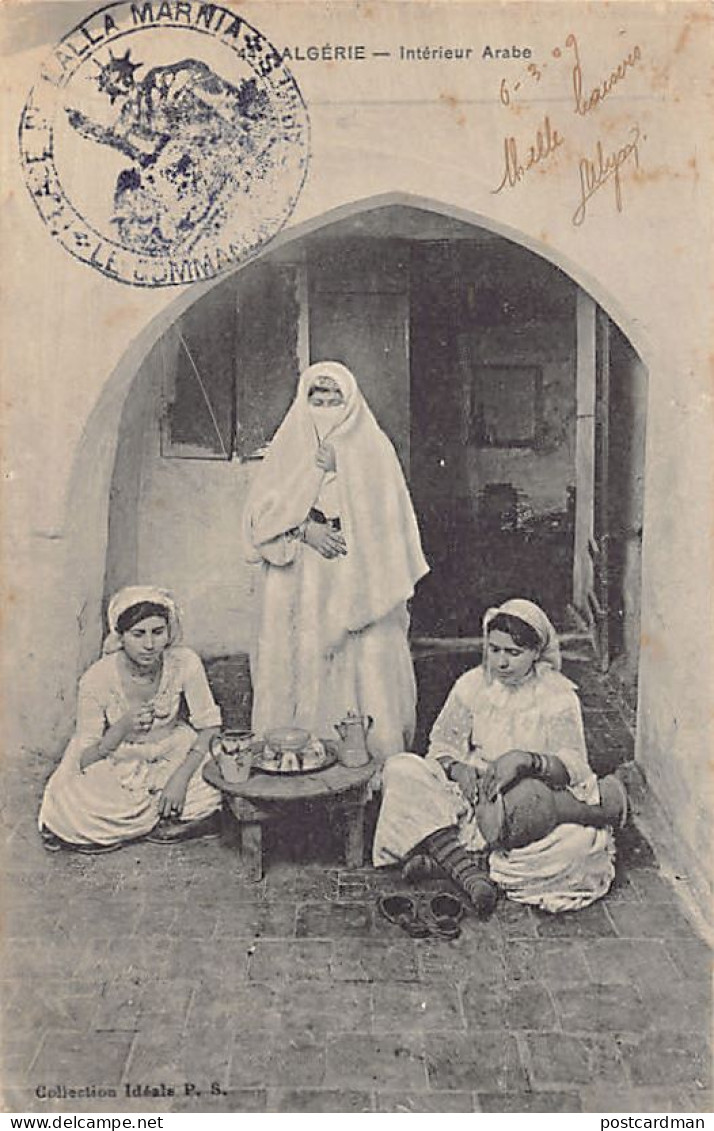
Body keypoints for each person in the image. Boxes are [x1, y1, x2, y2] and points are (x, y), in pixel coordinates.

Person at [373, 599, 627, 915]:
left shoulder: (557, 696)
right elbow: (441, 746)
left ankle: (449, 861)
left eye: (513, 653)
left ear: (537, 652)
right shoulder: (472, 685)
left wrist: (528, 760)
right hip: (470, 795)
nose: (501, 662)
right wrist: (458, 769)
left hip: (528, 806)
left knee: (574, 848)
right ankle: (470, 872)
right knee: (400, 768)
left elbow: (575, 767)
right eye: (495, 650)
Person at [243, 361, 429, 763]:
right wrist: (304, 530)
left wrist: (345, 468)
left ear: (351, 402)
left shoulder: (373, 446)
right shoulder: (288, 445)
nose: (324, 406)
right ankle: (295, 752)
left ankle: (363, 758)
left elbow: (390, 518)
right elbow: (260, 516)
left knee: (360, 658)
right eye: (316, 397)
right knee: (301, 650)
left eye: (334, 399)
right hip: (298, 567)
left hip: (354, 566)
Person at [38, 587, 223, 853]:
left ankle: (148, 818)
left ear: (169, 632)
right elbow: (87, 755)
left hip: (173, 753)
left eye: (158, 632)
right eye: (138, 634)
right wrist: (121, 728)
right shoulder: (97, 678)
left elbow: (210, 727)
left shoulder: (185, 662)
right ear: (121, 637)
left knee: (219, 773)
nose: (150, 645)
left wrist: (179, 780)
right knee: (79, 798)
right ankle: (162, 817)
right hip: (119, 759)